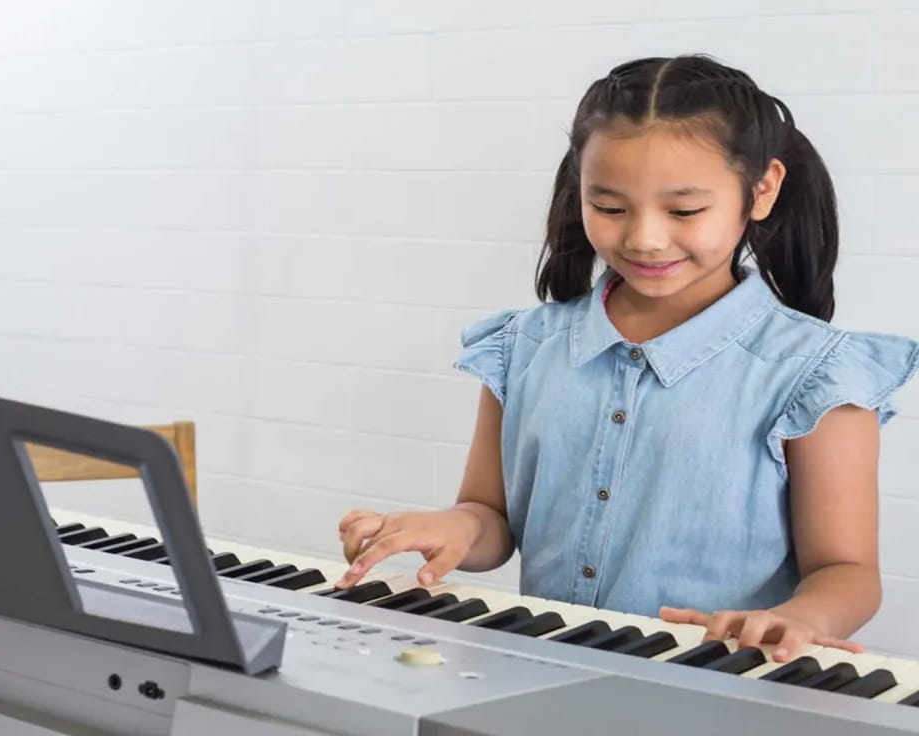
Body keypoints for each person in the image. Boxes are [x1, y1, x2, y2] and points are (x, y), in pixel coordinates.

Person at [336, 54, 919, 663]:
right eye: (610, 207)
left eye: (684, 211)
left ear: (762, 189)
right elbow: (490, 515)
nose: (643, 237)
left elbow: (848, 570)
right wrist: (455, 528)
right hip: (547, 673)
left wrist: (794, 619)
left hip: (721, 692)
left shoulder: (818, 372)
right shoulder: (523, 347)